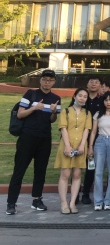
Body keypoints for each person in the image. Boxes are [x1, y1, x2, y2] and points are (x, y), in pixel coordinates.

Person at [7, 69, 61, 215]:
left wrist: (54, 112)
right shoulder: (30, 94)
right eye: (45, 79)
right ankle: (11, 203)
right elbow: (20, 114)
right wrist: (34, 108)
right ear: (40, 80)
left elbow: (52, 120)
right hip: (27, 137)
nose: (47, 82)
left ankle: (37, 200)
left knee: (40, 170)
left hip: (44, 138)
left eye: (50, 80)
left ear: (54, 82)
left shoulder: (56, 98)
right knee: (19, 170)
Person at [54, 88, 92, 214]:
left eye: (85, 96)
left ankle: (72, 203)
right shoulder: (65, 111)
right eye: (80, 95)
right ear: (74, 96)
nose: (82, 98)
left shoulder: (87, 113)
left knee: (77, 175)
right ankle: (64, 203)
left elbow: (86, 130)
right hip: (66, 144)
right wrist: (67, 146)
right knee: (65, 174)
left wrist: (82, 145)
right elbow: (63, 128)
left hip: (80, 146)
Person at [80, 76, 102, 205]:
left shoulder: (102, 100)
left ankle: (86, 193)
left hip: (95, 138)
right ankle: (75, 194)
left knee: (90, 167)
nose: (94, 84)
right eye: (91, 82)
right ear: (87, 84)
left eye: (96, 82)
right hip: (79, 137)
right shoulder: (81, 98)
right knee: (77, 166)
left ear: (100, 85)